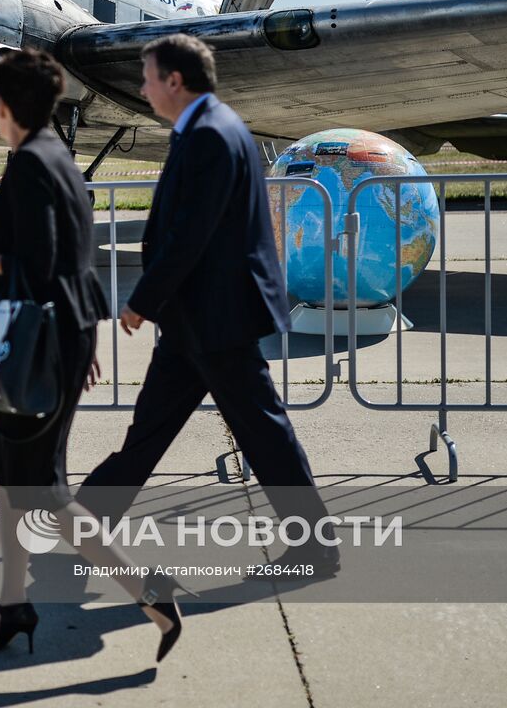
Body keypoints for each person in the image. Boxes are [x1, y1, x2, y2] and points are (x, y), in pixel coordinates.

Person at [0, 47, 190, 663]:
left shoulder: (31, 164)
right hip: (59, 338)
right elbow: (79, 265)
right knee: (8, 475)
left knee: (43, 491)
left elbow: (43, 267)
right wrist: (83, 339)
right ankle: (10, 607)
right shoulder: (56, 158)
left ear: (12, 105)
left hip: (41, 346)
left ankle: (148, 591)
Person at [79, 33, 338, 575]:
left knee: (263, 431)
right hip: (197, 316)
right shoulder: (207, 127)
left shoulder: (211, 136)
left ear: (175, 81)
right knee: (151, 427)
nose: (144, 89)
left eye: (149, 78)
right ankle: (87, 519)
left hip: (216, 316)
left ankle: (314, 547)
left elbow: (189, 235)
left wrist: (142, 300)